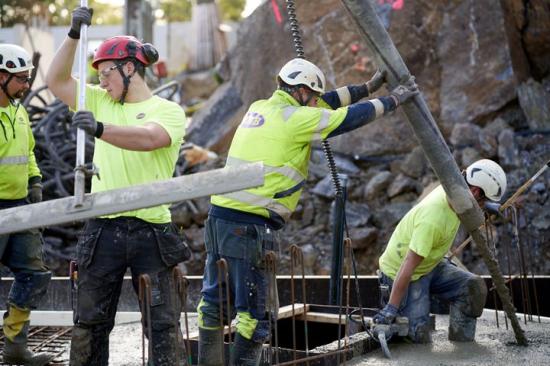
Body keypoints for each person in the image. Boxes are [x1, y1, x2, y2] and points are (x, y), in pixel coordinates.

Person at [197, 57, 419, 366]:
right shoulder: (296, 120)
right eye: (311, 96)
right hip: (248, 228)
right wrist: (392, 100)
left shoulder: (260, 108)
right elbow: (346, 118)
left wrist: (367, 87)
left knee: (212, 304)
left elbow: (326, 101)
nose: (316, 102)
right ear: (301, 92)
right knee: (251, 316)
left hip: (218, 219)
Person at [46, 7, 189, 365]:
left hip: (152, 230)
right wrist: (73, 34)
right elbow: (56, 80)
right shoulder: (99, 99)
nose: (102, 81)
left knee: (162, 325)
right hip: (103, 228)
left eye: (106, 72)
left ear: (129, 68)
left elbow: (150, 138)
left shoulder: (167, 110)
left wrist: (99, 129)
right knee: (89, 323)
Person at [373, 159, 507, 343]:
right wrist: (391, 308)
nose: (483, 205)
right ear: (475, 192)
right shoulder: (433, 219)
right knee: (417, 337)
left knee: (473, 288)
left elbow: (470, 205)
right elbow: (408, 265)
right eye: (484, 201)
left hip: (429, 264)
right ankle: (405, 323)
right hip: (402, 274)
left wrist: (487, 207)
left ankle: (463, 350)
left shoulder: (456, 192)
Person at [0, 44, 55, 366]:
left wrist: (34, 182)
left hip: (20, 207)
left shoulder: (19, 110)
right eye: (20, 79)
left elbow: (29, 151)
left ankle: (15, 346)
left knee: (34, 274)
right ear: (1, 75)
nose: (25, 85)